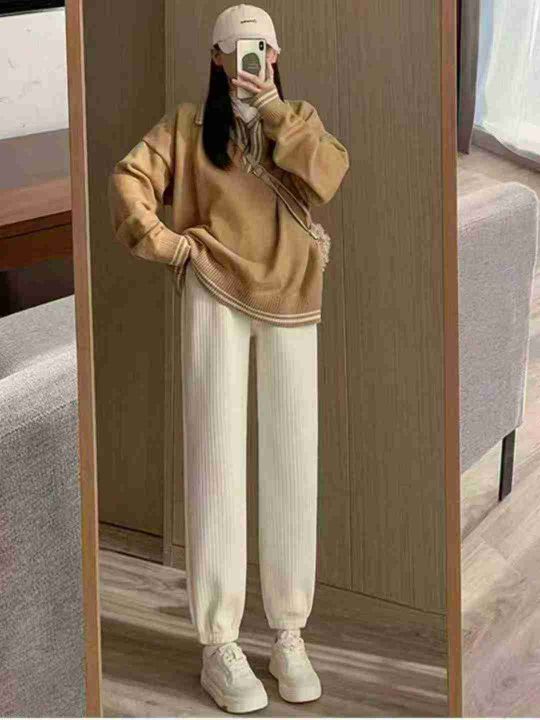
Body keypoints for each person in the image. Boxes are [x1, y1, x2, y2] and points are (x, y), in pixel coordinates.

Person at [108, 3, 349, 713]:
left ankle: (289, 633)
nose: (254, 60)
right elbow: (128, 179)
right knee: (216, 457)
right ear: (216, 57)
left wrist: (273, 112)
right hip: (214, 289)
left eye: (264, 49)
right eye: (241, 49)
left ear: (276, 56)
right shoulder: (188, 127)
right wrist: (168, 245)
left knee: (293, 462)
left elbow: (329, 175)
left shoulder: (296, 121)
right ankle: (219, 643)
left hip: (294, 296)